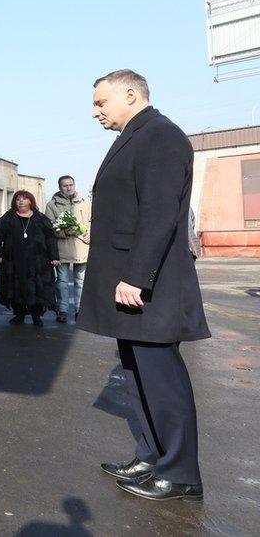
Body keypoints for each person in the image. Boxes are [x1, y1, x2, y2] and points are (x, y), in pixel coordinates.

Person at [80, 69, 209, 501]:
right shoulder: (136, 135)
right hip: (129, 283)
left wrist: (136, 277)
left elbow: (158, 212)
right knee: (136, 375)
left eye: (101, 102)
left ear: (130, 94)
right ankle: (151, 457)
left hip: (147, 284)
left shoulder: (160, 136)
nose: (95, 110)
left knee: (161, 376)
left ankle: (181, 472)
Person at [0, 191, 59, 326]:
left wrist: (54, 257)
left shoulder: (41, 218)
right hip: (13, 261)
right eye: (18, 199)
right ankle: (19, 314)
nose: (21, 201)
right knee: (15, 287)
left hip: (37, 261)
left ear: (30, 201)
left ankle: (36, 316)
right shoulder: (8, 218)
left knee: (37, 287)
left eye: (24, 199)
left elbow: (50, 238)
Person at [44, 175, 91, 323]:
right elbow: (49, 226)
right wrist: (66, 231)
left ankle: (79, 310)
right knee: (62, 281)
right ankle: (62, 310)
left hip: (82, 246)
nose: (69, 187)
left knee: (81, 281)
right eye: (65, 185)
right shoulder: (52, 205)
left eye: (71, 184)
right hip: (61, 248)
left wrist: (91, 233)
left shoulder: (85, 203)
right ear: (59, 187)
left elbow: (93, 221)